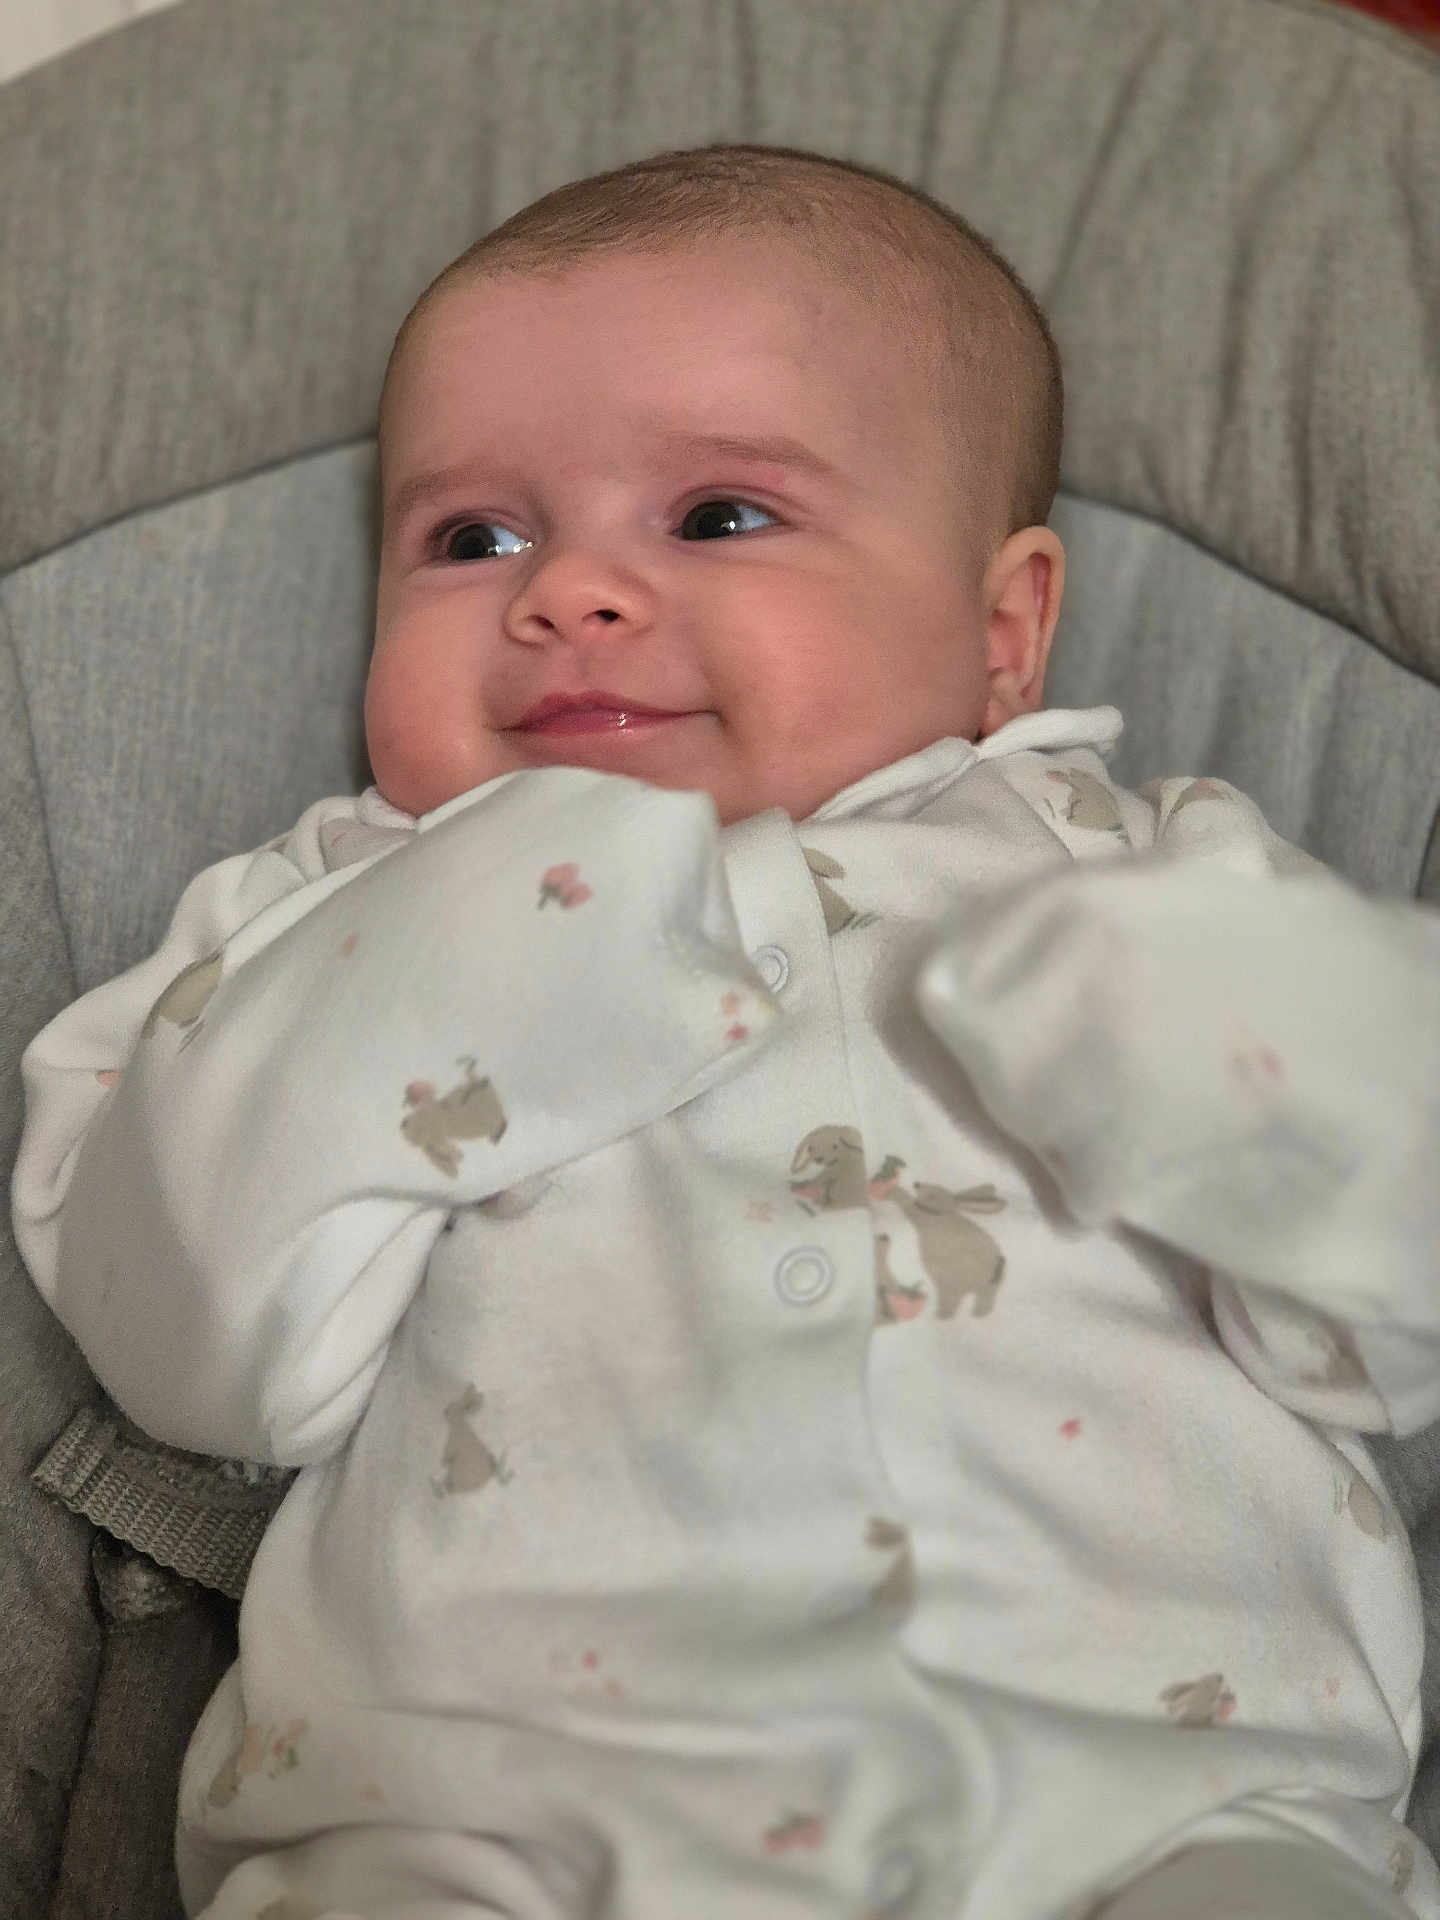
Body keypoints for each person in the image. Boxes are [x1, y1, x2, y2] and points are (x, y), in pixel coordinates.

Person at [11, 144, 1440, 1920]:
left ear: (1002, 636)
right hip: (486, 1814)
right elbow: (192, 1354)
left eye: (717, 517)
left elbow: (1392, 1308)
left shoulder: (1142, 868)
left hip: (1152, 1793)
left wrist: (1224, 1056)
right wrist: (432, 956)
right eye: (476, 538)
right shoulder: (313, 908)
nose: (569, 595)